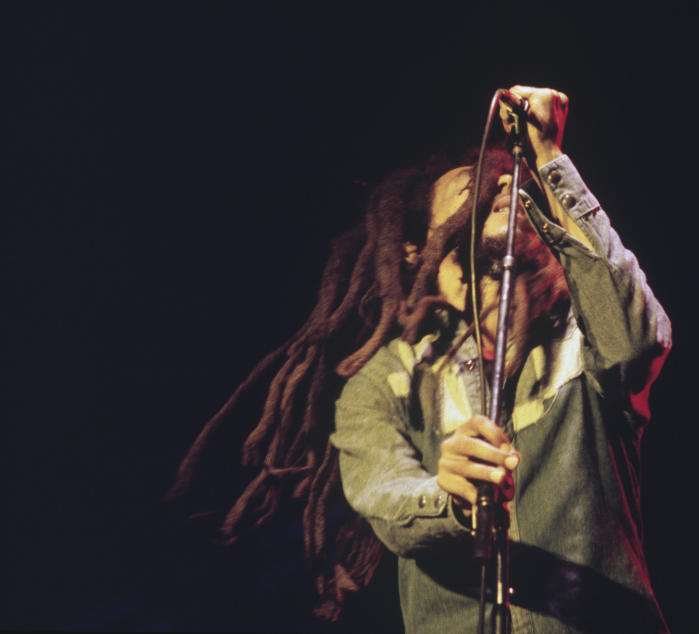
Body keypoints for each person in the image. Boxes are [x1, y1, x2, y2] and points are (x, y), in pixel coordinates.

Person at [167, 85, 670, 632]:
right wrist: (448, 495)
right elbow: (385, 497)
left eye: (510, 179)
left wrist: (549, 156)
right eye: (470, 185)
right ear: (417, 244)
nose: (502, 184)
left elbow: (640, 338)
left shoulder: (580, 331)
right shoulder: (385, 379)